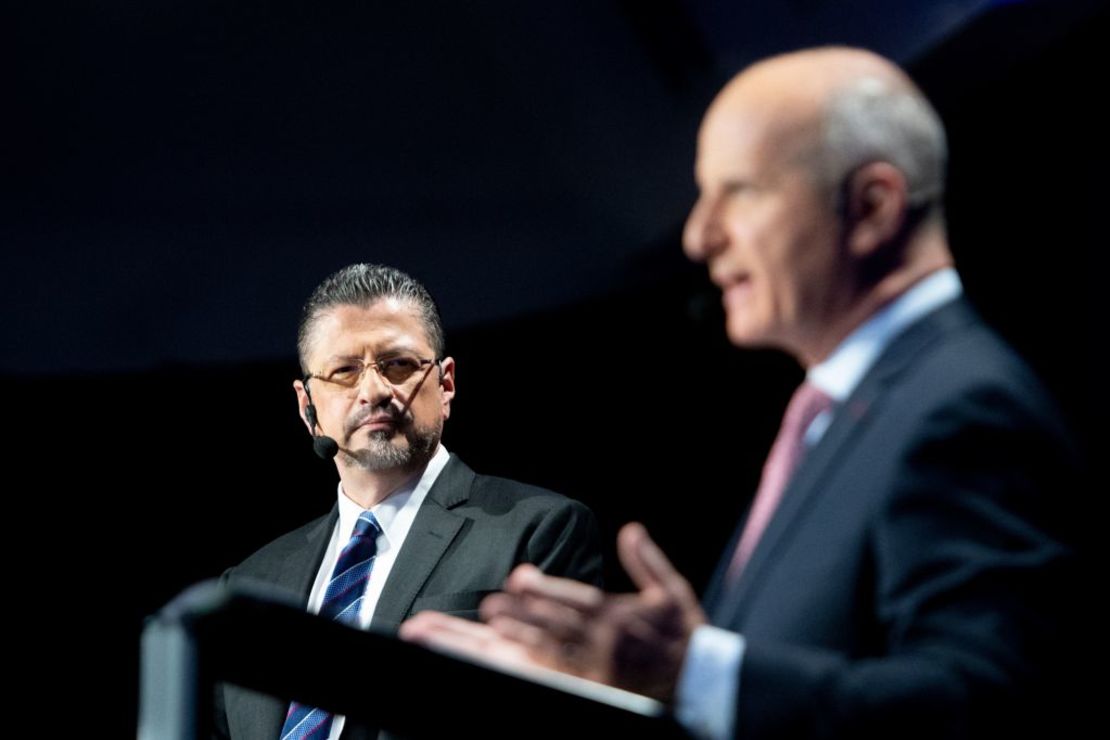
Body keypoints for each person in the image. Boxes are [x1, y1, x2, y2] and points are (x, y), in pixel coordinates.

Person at [401, 46, 1080, 738]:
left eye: (741, 191)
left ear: (872, 207)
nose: (699, 236)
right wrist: (616, 688)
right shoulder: (843, 412)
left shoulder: (964, 406)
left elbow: (987, 706)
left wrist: (691, 673)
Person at [214, 263, 603, 740]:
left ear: (446, 385)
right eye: (344, 371)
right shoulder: (252, 582)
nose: (375, 390)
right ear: (307, 409)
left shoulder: (538, 531)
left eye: (398, 364)